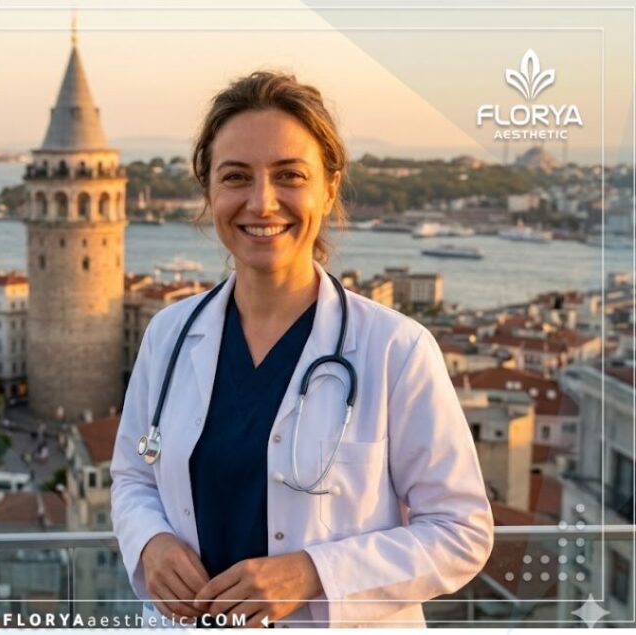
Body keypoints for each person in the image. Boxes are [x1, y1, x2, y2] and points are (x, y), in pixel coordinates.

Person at [109, 71, 493, 628]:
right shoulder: (168, 335)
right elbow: (132, 477)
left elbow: (461, 532)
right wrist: (151, 542)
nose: (262, 203)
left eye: (289, 175)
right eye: (236, 177)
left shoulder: (396, 349)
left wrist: (316, 572)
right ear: (209, 191)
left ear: (328, 187)